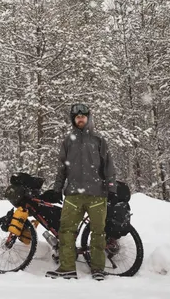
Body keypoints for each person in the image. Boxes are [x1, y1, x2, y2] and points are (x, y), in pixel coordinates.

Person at [41, 102, 116, 281]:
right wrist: (57, 189)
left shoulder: (99, 140)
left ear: (88, 118)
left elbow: (109, 166)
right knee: (66, 231)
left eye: (83, 116)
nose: (80, 119)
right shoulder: (68, 141)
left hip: (97, 194)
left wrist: (111, 187)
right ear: (73, 120)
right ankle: (67, 267)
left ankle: (98, 269)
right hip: (73, 194)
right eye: (77, 117)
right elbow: (62, 168)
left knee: (98, 233)